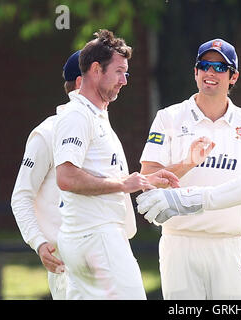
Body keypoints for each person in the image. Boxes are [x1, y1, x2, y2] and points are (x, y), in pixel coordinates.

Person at [137, 38, 241, 300]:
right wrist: (188, 163)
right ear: (195, 72)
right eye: (204, 65)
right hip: (180, 241)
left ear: (233, 77)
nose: (211, 73)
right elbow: (146, 181)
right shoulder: (169, 117)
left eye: (221, 68)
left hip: (231, 243)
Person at [52, 29, 179, 300]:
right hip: (97, 237)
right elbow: (66, 177)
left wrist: (144, 181)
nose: (124, 81)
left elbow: (100, 174)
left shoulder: (95, 115)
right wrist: (123, 184)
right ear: (96, 69)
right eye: (119, 72)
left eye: (127, 73)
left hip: (87, 238)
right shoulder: (78, 116)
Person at [11, 50, 83, 300]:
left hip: (108, 260)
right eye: (105, 72)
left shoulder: (102, 130)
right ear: (81, 82)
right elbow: (21, 196)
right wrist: (40, 243)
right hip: (67, 266)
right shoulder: (48, 132)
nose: (121, 80)